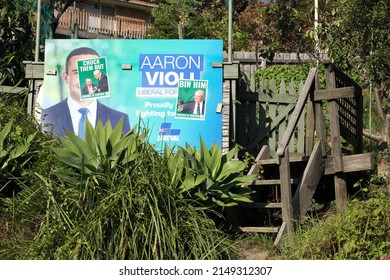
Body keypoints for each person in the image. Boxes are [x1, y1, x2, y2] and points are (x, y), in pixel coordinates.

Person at [41, 47, 130, 139]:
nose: (84, 80)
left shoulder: (120, 119)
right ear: (65, 77)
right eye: (76, 73)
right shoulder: (47, 115)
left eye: (91, 73)